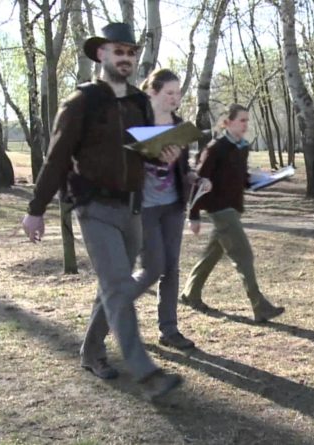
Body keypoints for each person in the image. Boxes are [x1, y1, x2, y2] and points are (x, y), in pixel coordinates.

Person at [20, 23, 181, 400]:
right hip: (94, 207)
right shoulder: (82, 101)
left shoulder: (140, 102)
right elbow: (57, 157)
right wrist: (36, 209)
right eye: (118, 51)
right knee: (119, 286)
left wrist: (163, 154)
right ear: (101, 54)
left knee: (115, 286)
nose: (126, 58)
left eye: (130, 52)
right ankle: (147, 374)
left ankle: (91, 350)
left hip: (132, 208)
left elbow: (141, 152)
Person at [180, 104, 285, 323]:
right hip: (220, 209)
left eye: (247, 120)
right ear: (227, 123)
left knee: (212, 254)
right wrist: (193, 214)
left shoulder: (242, 147)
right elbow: (199, 181)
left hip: (234, 208)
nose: (246, 124)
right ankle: (260, 306)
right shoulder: (215, 148)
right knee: (243, 255)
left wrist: (266, 179)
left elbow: (242, 178)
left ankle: (191, 293)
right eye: (241, 120)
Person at [136, 68, 210, 350]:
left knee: (171, 269)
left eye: (178, 93)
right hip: (143, 208)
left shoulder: (179, 126)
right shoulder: (137, 123)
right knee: (151, 269)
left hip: (172, 207)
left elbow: (182, 169)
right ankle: (112, 313)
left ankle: (168, 330)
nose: (175, 98)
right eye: (169, 93)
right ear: (152, 92)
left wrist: (196, 179)